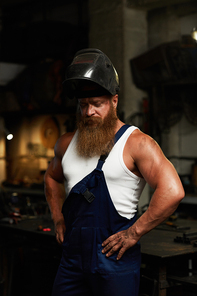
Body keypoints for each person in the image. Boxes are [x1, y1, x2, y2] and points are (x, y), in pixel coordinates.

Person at [44, 48, 185, 296]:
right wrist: (57, 218)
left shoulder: (137, 143)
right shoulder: (66, 143)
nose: (89, 112)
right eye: (83, 105)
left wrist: (134, 232)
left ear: (114, 101)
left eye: (97, 104)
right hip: (72, 259)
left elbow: (172, 191)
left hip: (114, 260)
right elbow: (52, 178)